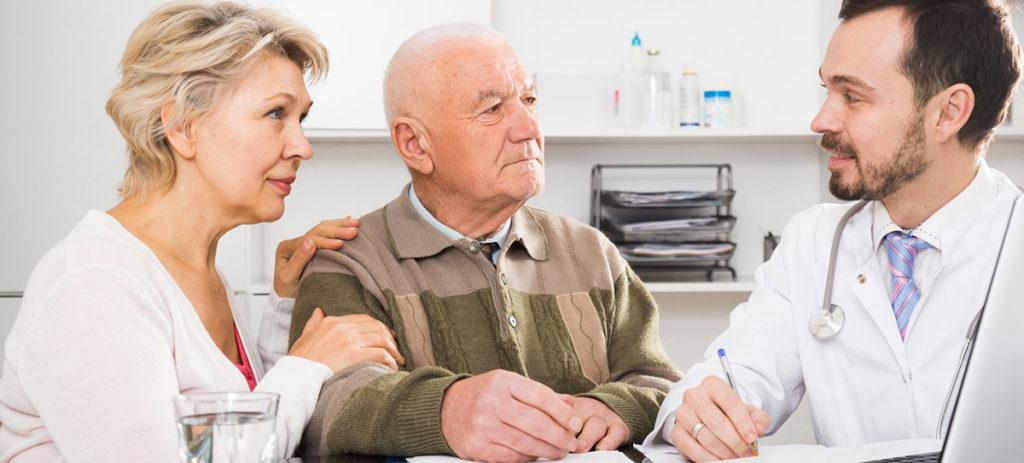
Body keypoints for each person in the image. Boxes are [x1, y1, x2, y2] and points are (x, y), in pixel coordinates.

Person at [0, 2, 403, 461]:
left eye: (301, 119)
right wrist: (309, 364)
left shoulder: (201, 274)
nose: (303, 147)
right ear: (182, 126)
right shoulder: (93, 283)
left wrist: (281, 306)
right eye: (276, 114)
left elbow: (232, 437)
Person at [271, 23, 681, 461]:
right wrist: (445, 411)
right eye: (492, 109)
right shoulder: (349, 262)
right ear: (415, 144)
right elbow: (329, 407)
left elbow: (659, 383)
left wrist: (612, 407)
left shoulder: (591, 253)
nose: (529, 127)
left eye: (529, 100)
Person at [640, 0, 1023, 460]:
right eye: (826, 90)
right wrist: (700, 412)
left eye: (853, 96)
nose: (820, 120)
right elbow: (724, 379)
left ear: (948, 112)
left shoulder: (1013, 237)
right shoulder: (812, 243)